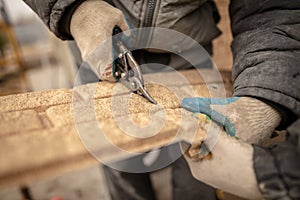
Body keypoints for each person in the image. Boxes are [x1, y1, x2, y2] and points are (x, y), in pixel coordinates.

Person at [22, 0, 300, 199]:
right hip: (96, 42)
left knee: (196, 163)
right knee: (116, 159)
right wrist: (74, 10)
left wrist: (262, 95)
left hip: (185, 48)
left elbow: (276, 8)